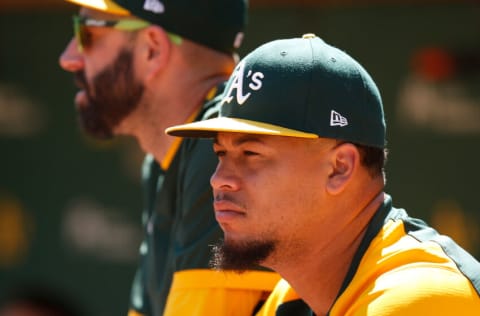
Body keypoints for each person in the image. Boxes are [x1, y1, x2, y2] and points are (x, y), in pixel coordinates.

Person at [166, 34, 480, 315]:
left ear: (339, 168)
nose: (219, 179)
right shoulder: (294, 297)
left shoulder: (418, 296)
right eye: (221, 153)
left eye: (251, 154)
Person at [59, 0, 280, 315]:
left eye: (86, 34)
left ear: (152, 50)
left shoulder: (224, 146)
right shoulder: (167, 159)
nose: (68, 58)